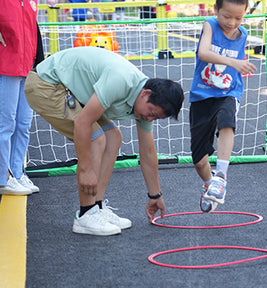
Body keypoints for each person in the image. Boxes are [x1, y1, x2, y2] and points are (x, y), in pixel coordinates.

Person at [24, 46, 184, 236]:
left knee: (113, 137)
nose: (150, 119)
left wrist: (155, 195)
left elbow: (148, 153)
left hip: (69, 89)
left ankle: (96, 207)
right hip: (46, 84)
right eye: (151, 113)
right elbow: (83, 123)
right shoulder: (121, 81)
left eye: (155, 118)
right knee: (96, 139)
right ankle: (85, 215)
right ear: (145, 94)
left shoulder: (144, 100)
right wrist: (86, 170)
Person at [189, 0, 257, 213]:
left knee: (228, 121)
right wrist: (234, 62)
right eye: (227, 16)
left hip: (229, 92)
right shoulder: (209, 25)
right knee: (199, 160)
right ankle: (209, 183)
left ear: (244, 13)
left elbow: (237, 60)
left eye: (238, 18)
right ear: (216, 9)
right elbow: (204, 53)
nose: (231, 23)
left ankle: (221, 176)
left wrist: (240, 67)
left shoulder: (243, 33)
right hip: (202, 95)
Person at [0, 0, 43, 196]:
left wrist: (39, 64)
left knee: (23, 123)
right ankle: (3, 175)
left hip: (27, 68)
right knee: (5, 123)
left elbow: (34, 33)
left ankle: (17, 171)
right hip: (5, 67)